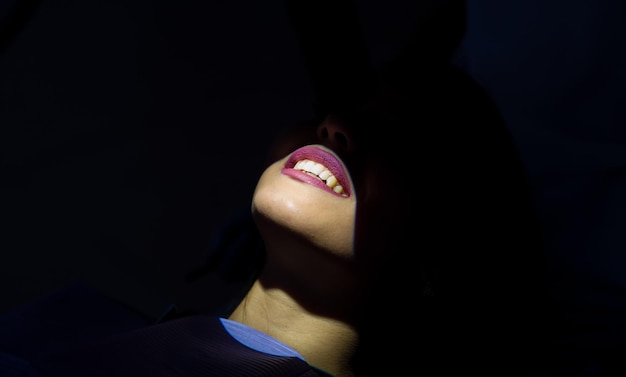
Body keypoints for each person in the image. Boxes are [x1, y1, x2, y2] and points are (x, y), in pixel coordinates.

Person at [0, 56, 549, 376]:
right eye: (328, 111)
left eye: (395, 140)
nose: (334, 125)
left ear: (441, 251)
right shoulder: (78, 320)